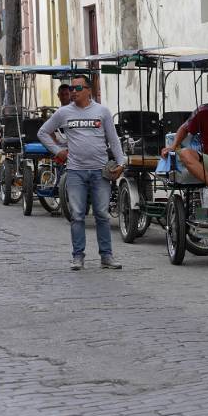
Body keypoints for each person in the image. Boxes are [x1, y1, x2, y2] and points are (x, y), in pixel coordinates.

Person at [38, 74, 127, 271]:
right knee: (77, 215)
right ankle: (78, 256)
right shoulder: (63, 113)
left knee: (102, 215)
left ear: (88, 90)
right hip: (75, 171)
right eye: (71, 88)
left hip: (100, 171)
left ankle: (106, 256)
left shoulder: (102, 111)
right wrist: (57, 150)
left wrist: (121, 162)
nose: (73, 92)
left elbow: (113, 140)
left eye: (77, 88)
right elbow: (43, 132)